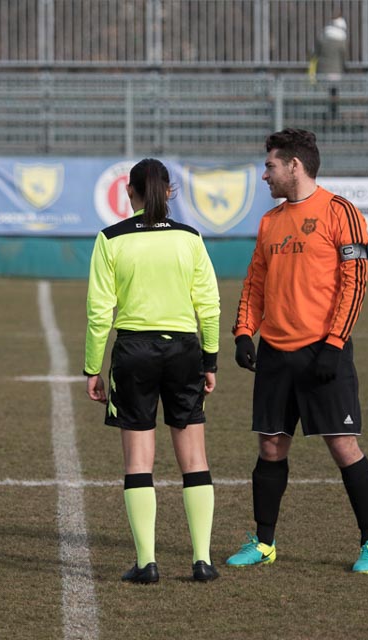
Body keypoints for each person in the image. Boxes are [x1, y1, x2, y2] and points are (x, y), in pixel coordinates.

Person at [225, 128, 368, 574]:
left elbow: (355, 283)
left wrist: (334, 344)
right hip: (276, 353)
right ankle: (263, 542)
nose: (265, 175)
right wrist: (244, 332)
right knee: (271, 446)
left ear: (294, 165)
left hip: (323, 352)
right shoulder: (270, 222)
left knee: (343, 446)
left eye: (270, 166)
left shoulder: (341, 212)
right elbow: (255, 282)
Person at [84, 158, 221, 584]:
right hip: (184, 351)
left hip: (134, 353)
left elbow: (99, 311)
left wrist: (92, 367)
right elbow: (209, 305)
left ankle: (147, 564)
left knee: (138, 461)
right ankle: (202, 561)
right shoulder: (190, 237)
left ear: (130, 192)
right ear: (169, 191)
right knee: (194, 458)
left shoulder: (111, 238)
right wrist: (210, 361)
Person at [308, 14, 348, 119]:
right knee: (334, 93)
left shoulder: (322, 37)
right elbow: (343, 56)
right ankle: (334, 115)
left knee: (322, 94)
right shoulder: (341, 40)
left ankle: (320, 116)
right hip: (336, 72)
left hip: (322, 71)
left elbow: (314, 53)